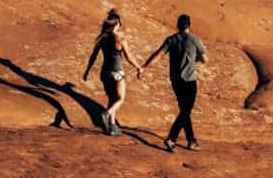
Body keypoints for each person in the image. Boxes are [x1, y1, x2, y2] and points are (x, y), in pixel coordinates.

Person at [141, 13, 207, 152]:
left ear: (178, 25)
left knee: (184, 110)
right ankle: (172, 138)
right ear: (189, 25)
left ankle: (191, 141)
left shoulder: (171, 39)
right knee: (186, 110)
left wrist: (144, 67)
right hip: (189, 80)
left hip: (175, 81)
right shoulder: (195, 40)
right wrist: (194, 59)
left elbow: (158, 54)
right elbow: (205, 59)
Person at [82, 8, 141, 135]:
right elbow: (129, 56)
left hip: (104, 73)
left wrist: (87, 70)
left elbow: (93, 56)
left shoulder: (102, 38)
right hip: (117, 72)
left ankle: (112, 126)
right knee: (120, 98)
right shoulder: (120, 39)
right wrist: (138, 67)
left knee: (112, 98)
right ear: (117, 23)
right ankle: (106, 114)